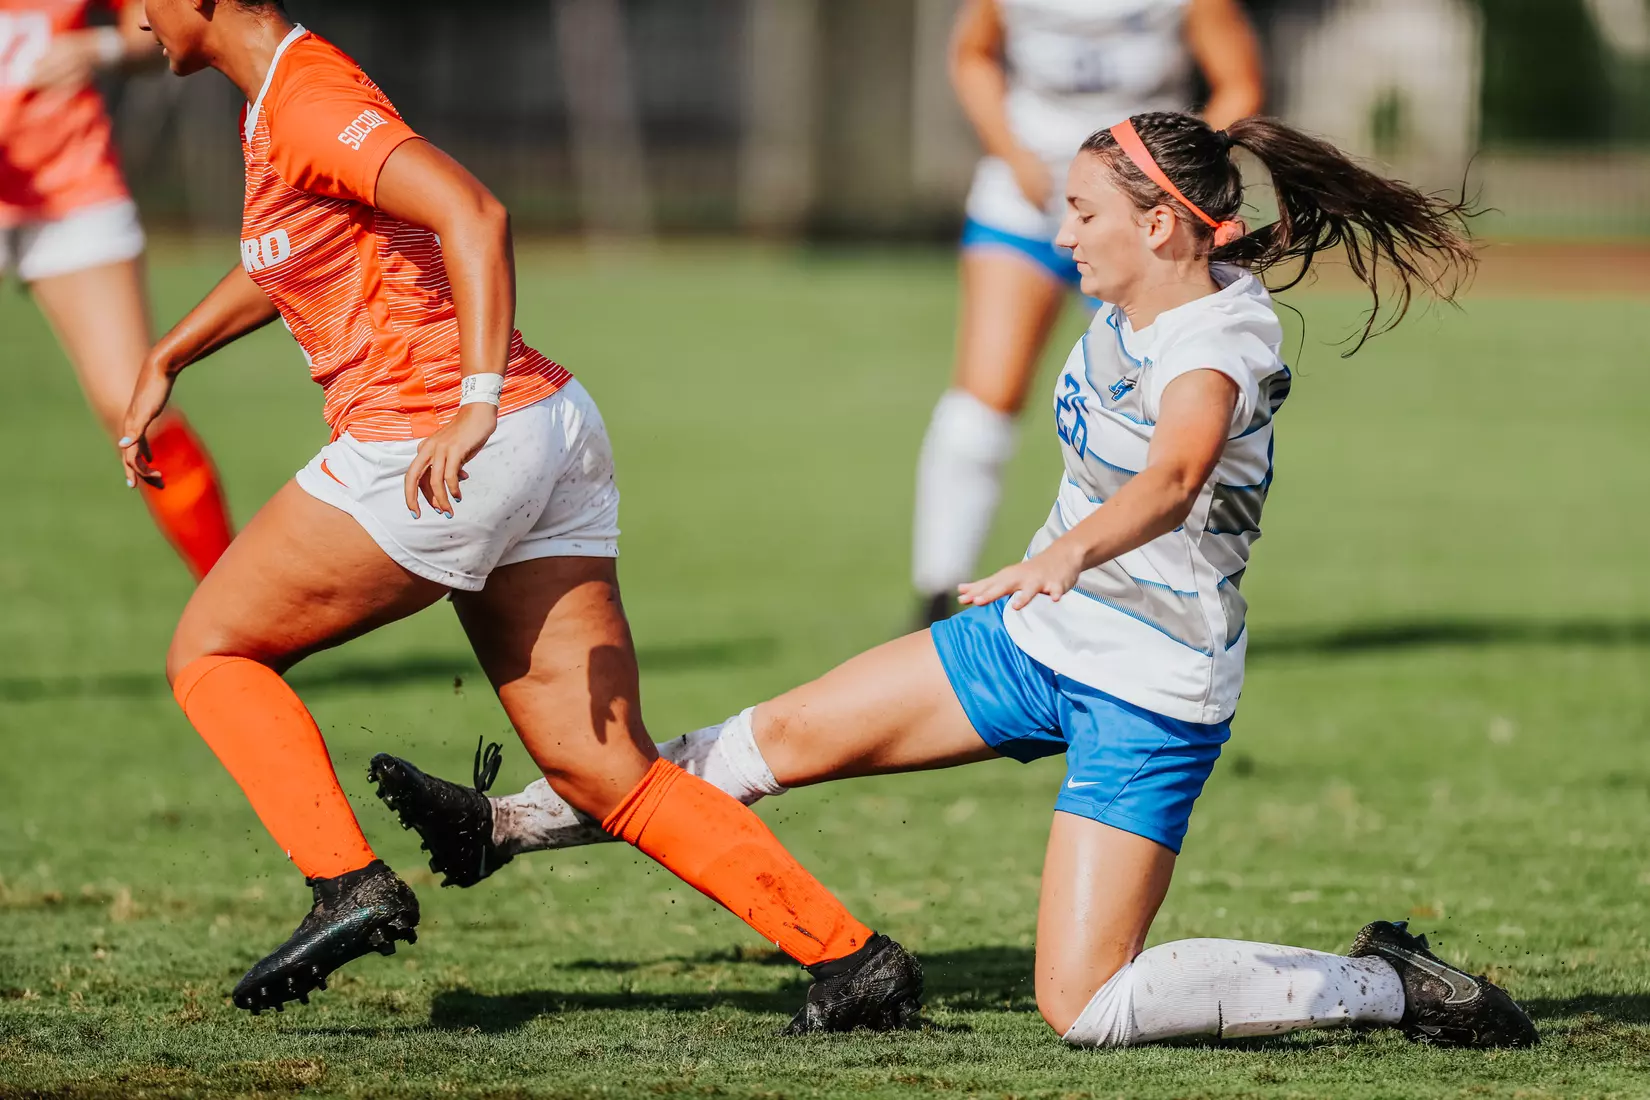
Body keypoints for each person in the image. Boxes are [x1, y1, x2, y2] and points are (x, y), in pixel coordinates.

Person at [372, 110, 1540, 1050]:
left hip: (1150, 684)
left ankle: (1385, 981)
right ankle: (504, 825)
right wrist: (1057, 574)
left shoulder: (1217, 340)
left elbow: (1178, 472)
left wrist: (1069, 550)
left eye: (1083, 213)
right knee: (774, 737)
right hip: (1030, 637)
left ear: (1163, 226)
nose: (1062, 232)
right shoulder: (1143, 290)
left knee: (1086, 1005)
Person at [122, 0, 921, 1031]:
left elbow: (475, 213)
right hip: (550, 430)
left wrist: (475, 401)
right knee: (606, 772)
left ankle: (345, 881)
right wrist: (170, 352)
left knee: (211, 650)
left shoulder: (307, 100)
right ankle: (852, 959)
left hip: (440, 438)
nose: (133, 19)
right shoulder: (283, 95)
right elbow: (291, 249)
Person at [913, 0, 1263, 626]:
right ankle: (938, 598)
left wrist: (1168, 183)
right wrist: (1012, 153)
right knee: (982, 404)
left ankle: (1158, 608)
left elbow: (1239, 82)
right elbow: (972, 56)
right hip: (1023, 205)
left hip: (1141, 225)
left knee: (1160, 414)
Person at [2, 0, 232, 578]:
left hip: (71, 183)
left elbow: (167, 23)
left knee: (136, 412)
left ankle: (235, 604)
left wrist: (98, 47)